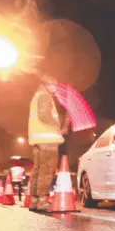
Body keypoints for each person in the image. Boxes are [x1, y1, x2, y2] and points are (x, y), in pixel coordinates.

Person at [27, 81, 68, 211]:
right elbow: (44, 115)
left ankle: (34, 200)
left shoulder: (37, 96)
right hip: (47, 140)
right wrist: (58, 128)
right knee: (47, 170)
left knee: (38, 170)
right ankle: (43, 201)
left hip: (39, 140)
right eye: (54, 86)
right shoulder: (45, 96)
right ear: (48, 85)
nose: (56, 89)